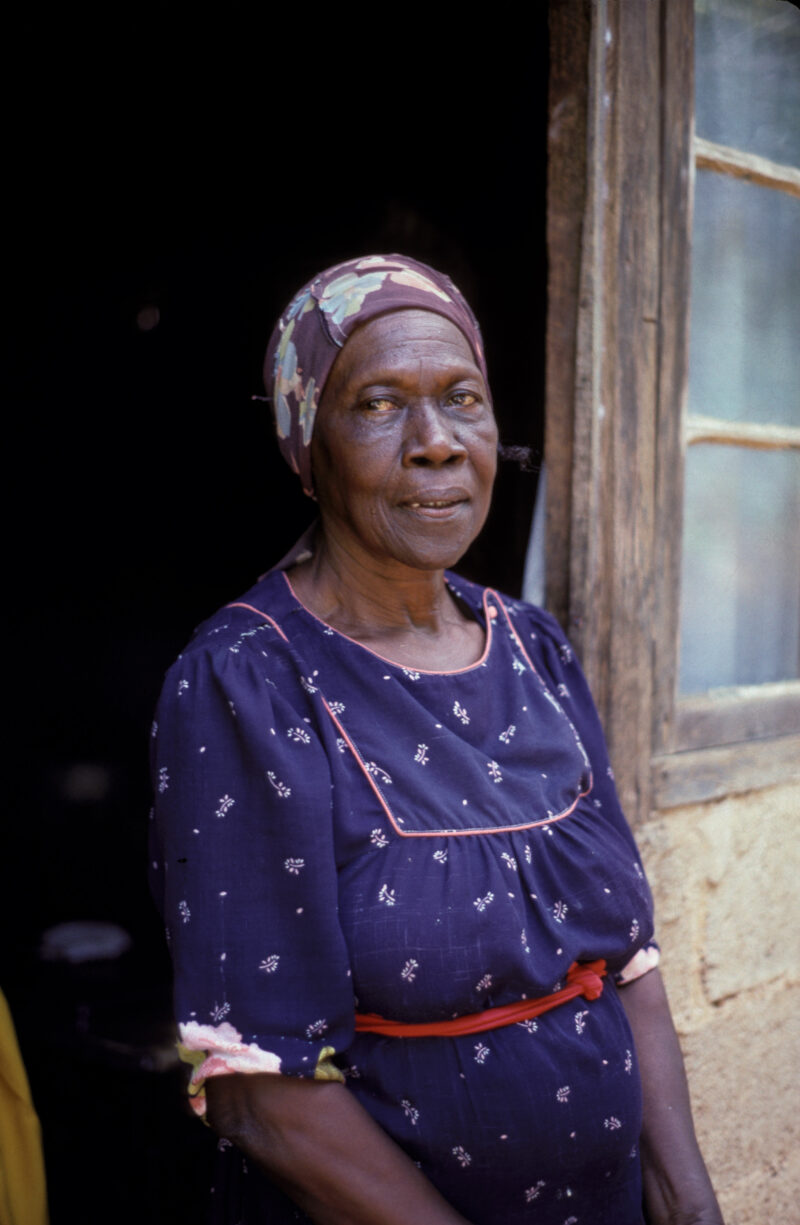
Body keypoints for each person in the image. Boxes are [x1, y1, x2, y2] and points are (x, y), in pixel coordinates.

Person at [150, 255, 723, 1225]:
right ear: (307, 443)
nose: (435, 444)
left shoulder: (531, 646)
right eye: (377, 403)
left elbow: (628, 966)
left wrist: (688, 1204)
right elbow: (258, 1092)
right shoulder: (250, 680)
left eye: (462, 398)